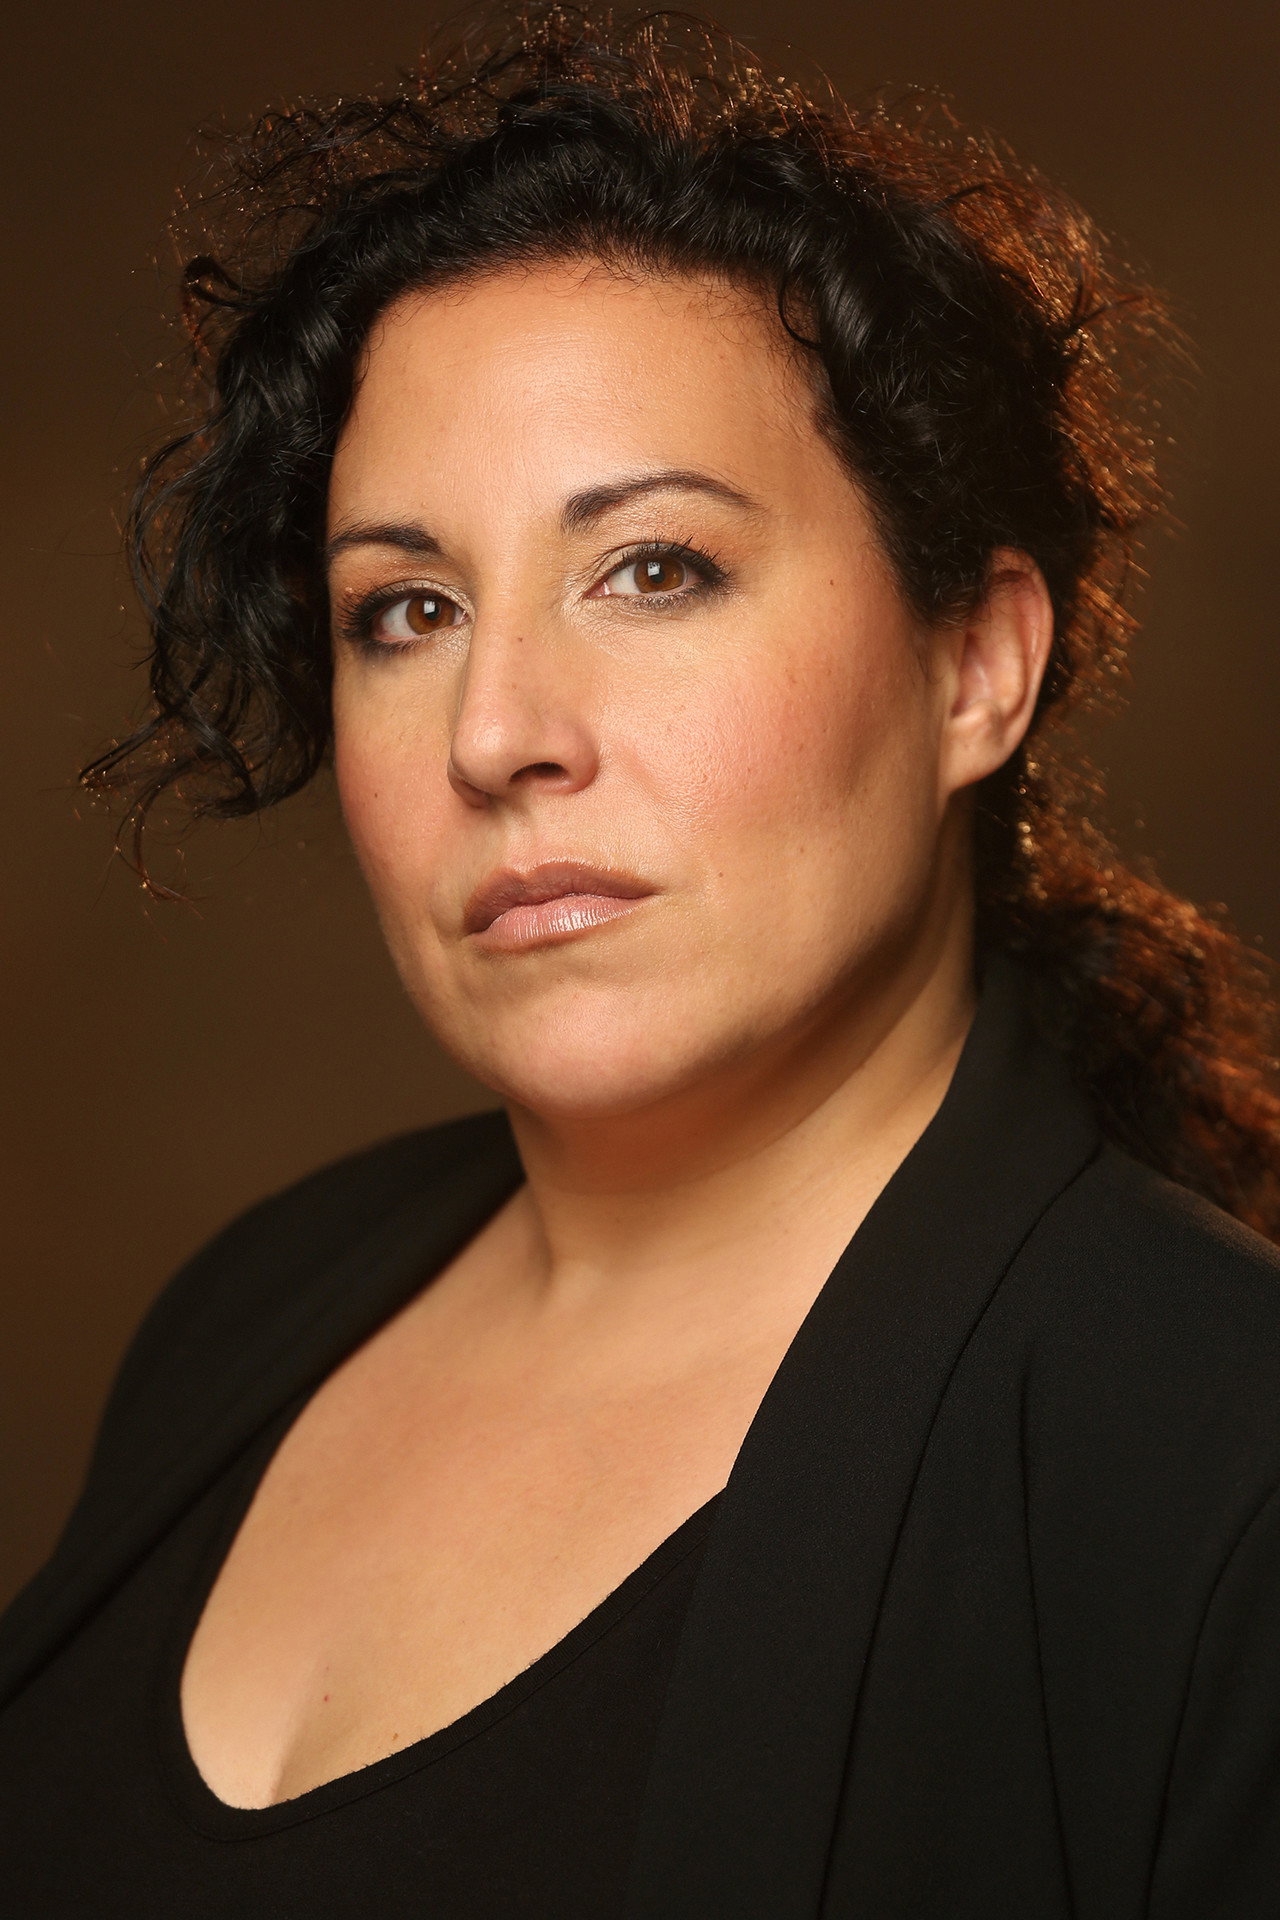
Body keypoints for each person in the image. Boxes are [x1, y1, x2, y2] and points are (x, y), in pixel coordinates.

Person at [3, 8, 1279, 1914]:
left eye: (654, 570)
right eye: (406, 609)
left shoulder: (1221, 1461)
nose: (496, 731)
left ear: (975, 668)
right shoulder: (251, 1311)